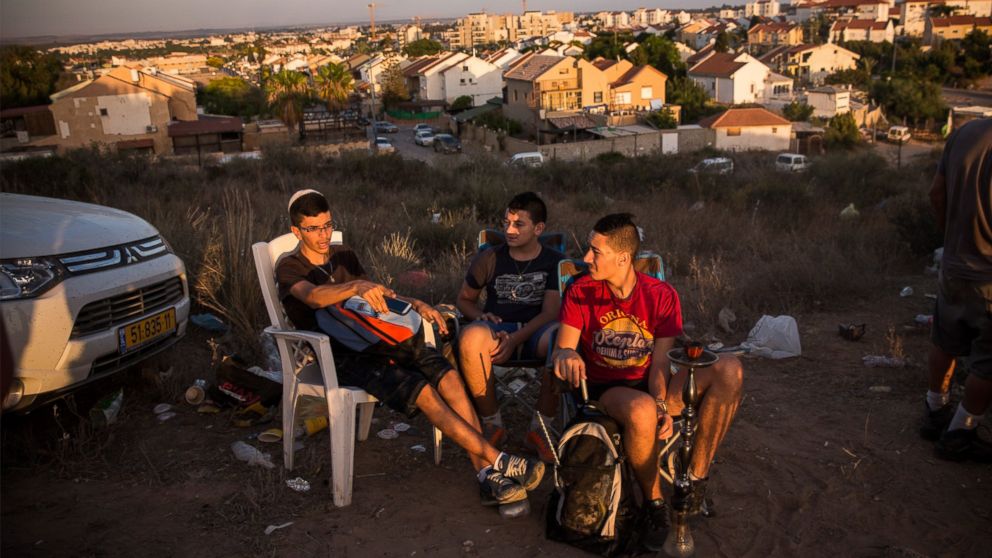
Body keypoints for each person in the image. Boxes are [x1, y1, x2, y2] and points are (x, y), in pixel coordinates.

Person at [275, 189, 544, 511]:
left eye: (327, 225)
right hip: (342, 354)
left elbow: (377, 297)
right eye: (313, 229)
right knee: (426, 393)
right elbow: (313, 297)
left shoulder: (343, 253)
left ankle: (487, 473)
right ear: (296, 231)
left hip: (382, 336)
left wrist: (416, 303)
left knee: (450, 379)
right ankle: (498, 462)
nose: (323, 235)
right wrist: (355, 286)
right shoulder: (289, 266)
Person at [552, 213, 744, 551]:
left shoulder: (661, 295)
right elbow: (564, 346)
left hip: (652, 386)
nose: (585, 259)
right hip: (607, 392)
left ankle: (693, 484)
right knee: (640, 408)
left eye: (595, 252)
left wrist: (660, 405)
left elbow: (659, 364)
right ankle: (654, 506)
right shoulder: (581, 290)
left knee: (729, 368)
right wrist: (567, 355)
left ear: (622, 258)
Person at [456, 192, 564, 462]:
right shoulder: (490, 258)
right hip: (498, 327)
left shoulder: (554, 262)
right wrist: (481, 316)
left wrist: (516, 338)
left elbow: (551, 312)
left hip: (536, 330)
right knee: (471, 337)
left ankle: (540, 430)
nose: (509, 230)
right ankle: (492, 423)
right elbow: (464, 300)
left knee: (563, 339)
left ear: (539, 229)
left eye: (519, 224)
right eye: (506, 223)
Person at [920, 118, 992, 462]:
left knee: (945, 340)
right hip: (989, 276)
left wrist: (949, 238)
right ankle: (961, 431)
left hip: (954, 263)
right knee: (987, 363)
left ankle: (935, 409)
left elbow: (936, 193)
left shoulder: (965, 133)